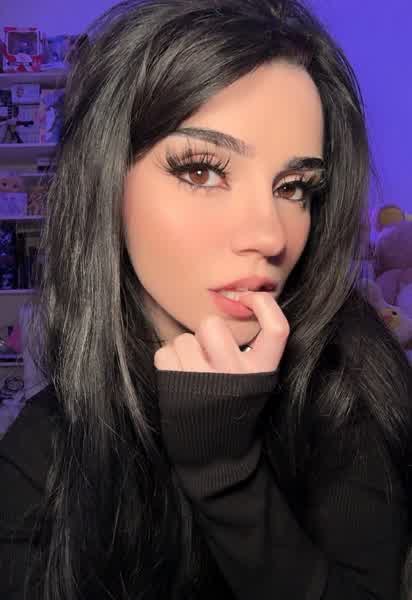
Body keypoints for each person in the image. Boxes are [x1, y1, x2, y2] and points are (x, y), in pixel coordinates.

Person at [1, 0, 411, 598]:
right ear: (106, 182)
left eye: (294, 187)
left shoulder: (348, 383)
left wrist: (225, 475)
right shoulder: (39, 455)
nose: (271, 236)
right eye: (201, 171)